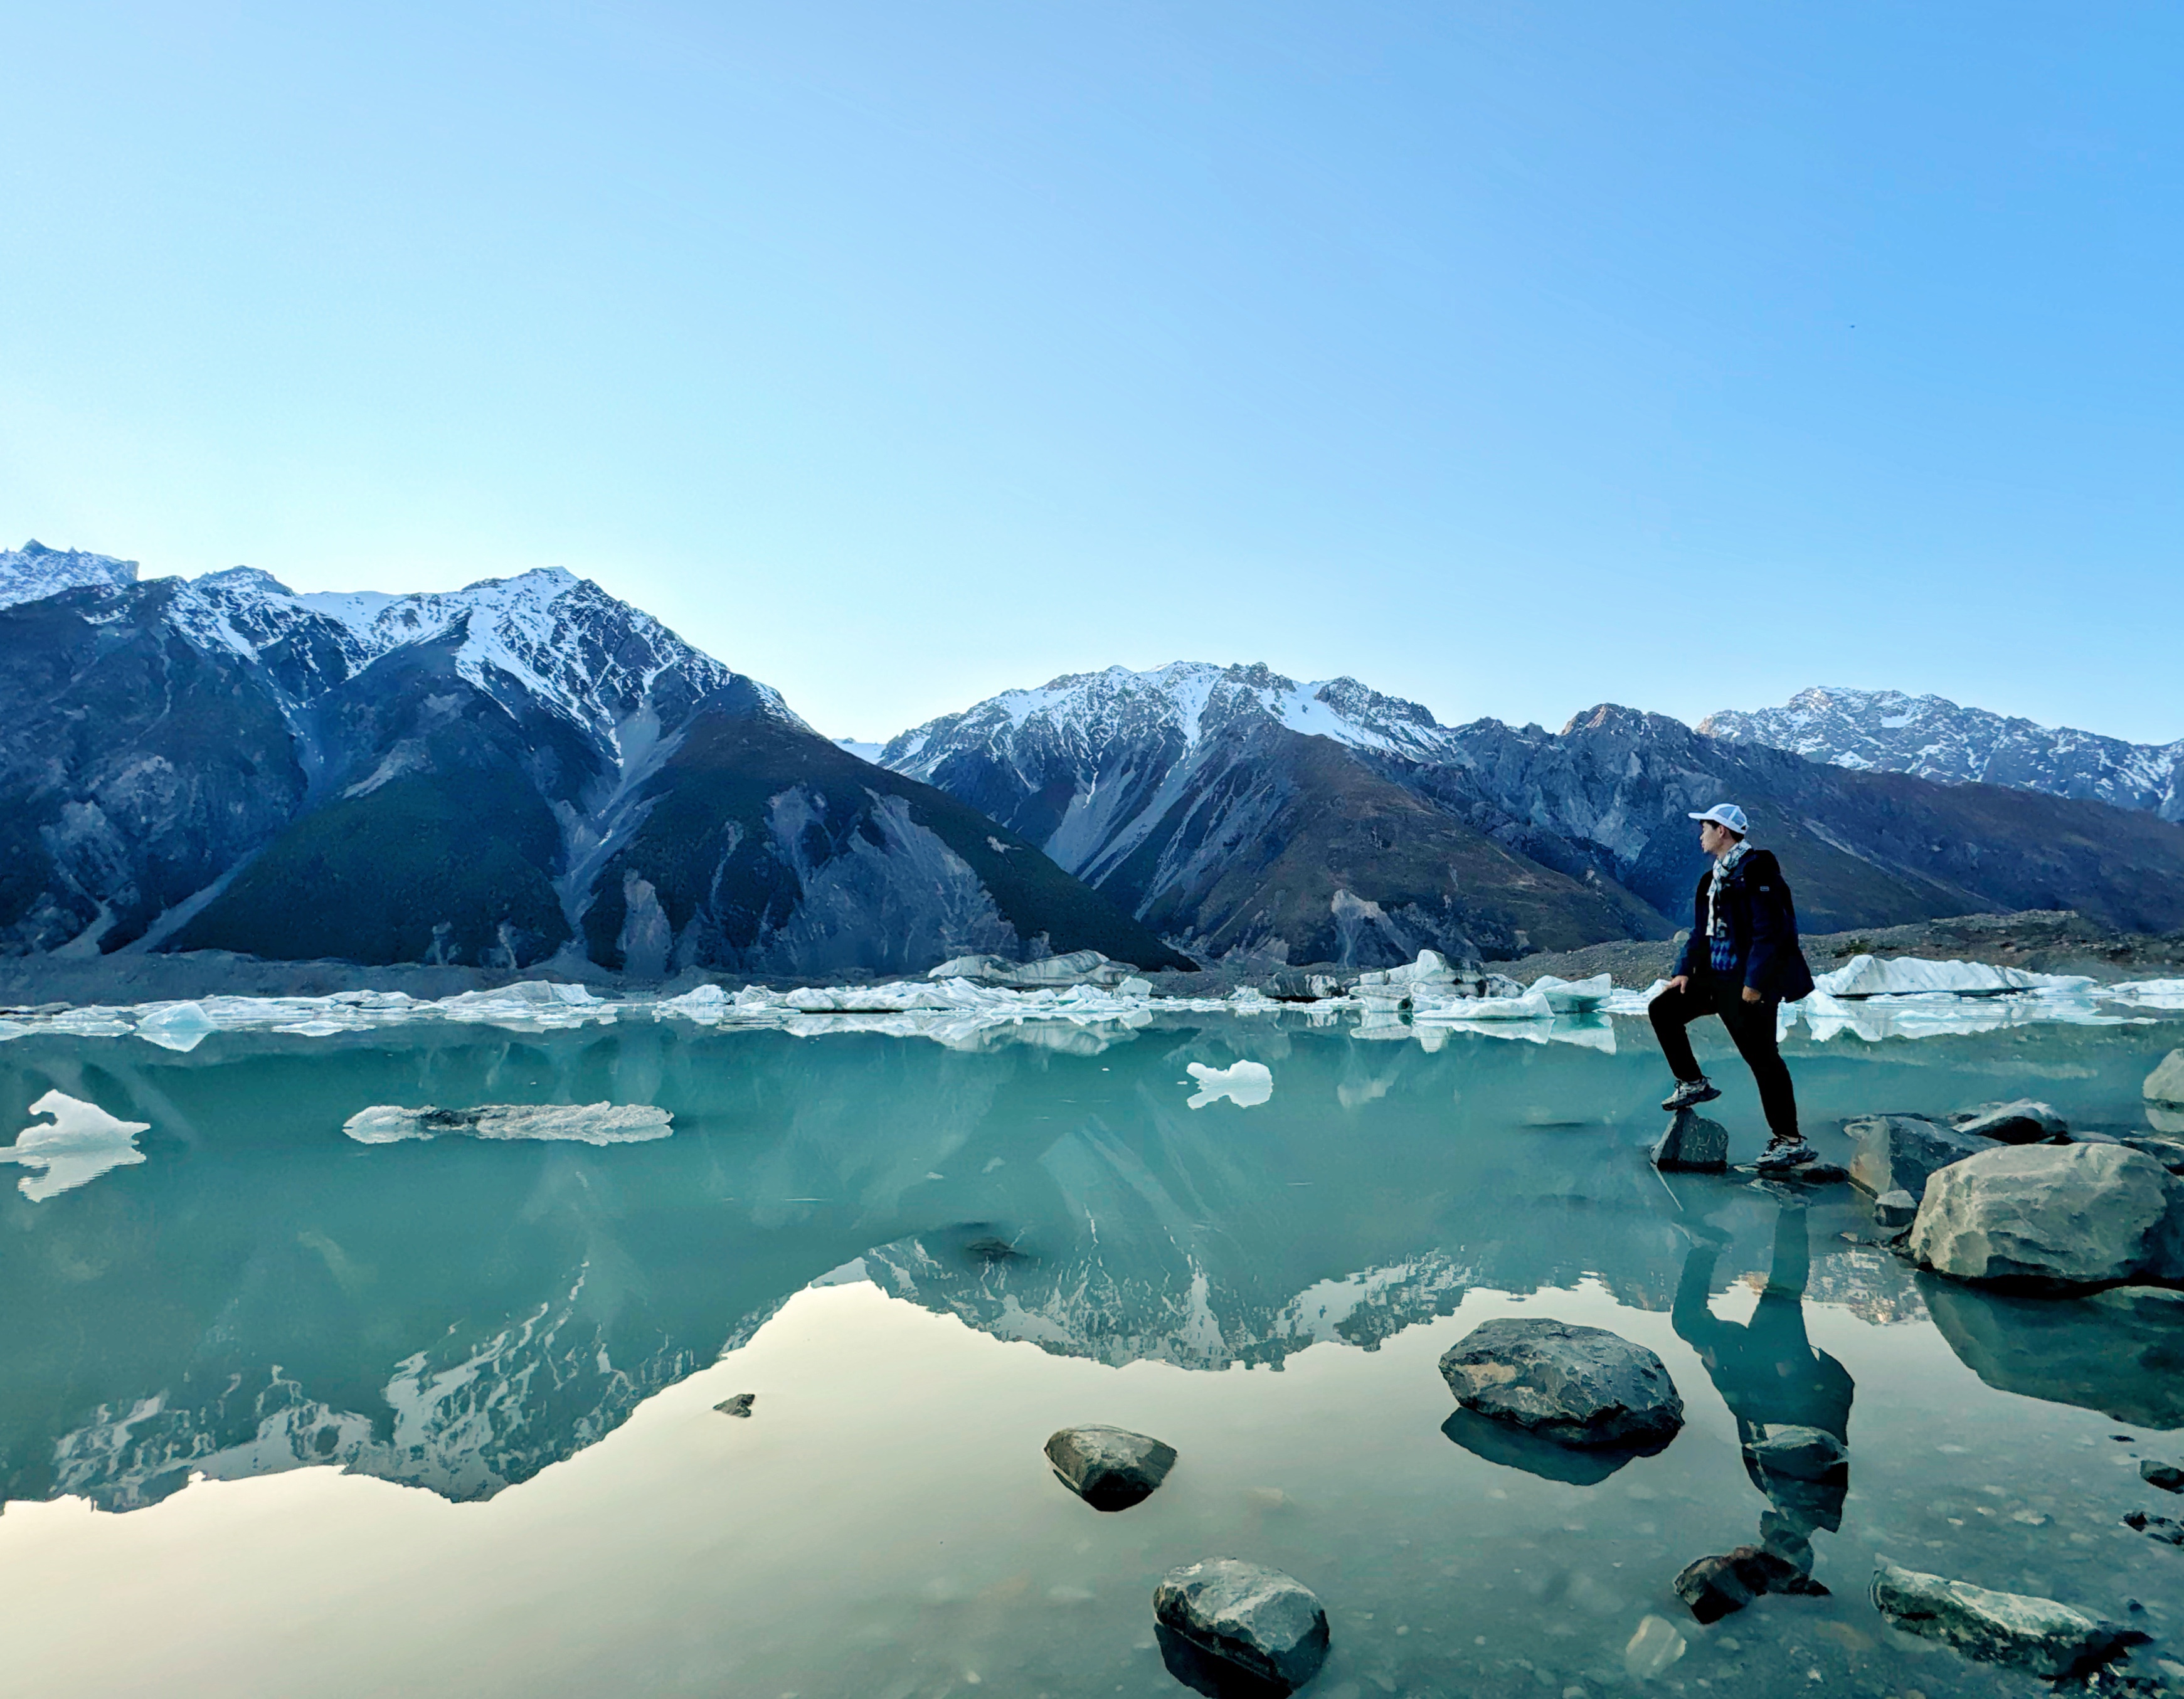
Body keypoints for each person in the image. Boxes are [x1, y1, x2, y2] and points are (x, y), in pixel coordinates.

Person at [1649, 803, 1817, 1170]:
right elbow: (1701, 932)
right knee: (1663, 1009)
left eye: (1705, 828)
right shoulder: (1712, 880)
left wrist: (1754, 984)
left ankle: (1790, 1141)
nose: (1701, 835)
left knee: (1762, 1059)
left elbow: (1769, 932)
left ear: (1722, 831)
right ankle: (1692, 1082)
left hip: (1748, 985)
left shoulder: (1756, 872)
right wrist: (1683, 970)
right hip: (1716, 979)